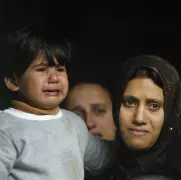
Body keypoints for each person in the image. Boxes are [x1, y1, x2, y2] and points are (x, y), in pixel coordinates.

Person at [0, 25, 113, 180]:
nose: (54, 78)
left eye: (60, 69)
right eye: (42, 70)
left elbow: (108, 158)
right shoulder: (5, 128)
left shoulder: (74, 123)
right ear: (14, 81)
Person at [110, 55, 181, 180]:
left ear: (170, 111)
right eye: (130, 102)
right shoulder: (106, 159)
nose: (139, 118)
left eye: (154, 105)